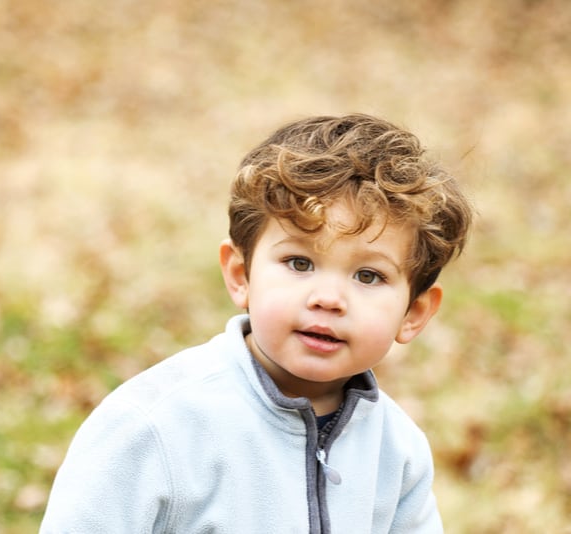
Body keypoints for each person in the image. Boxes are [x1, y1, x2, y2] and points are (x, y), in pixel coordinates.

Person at [39, 113, 473, 533]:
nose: (328, 299)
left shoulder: (397, 452)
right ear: (241, 275)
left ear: (413, 313)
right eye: (299, 262)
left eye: (368, 276)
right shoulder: (150, 427)